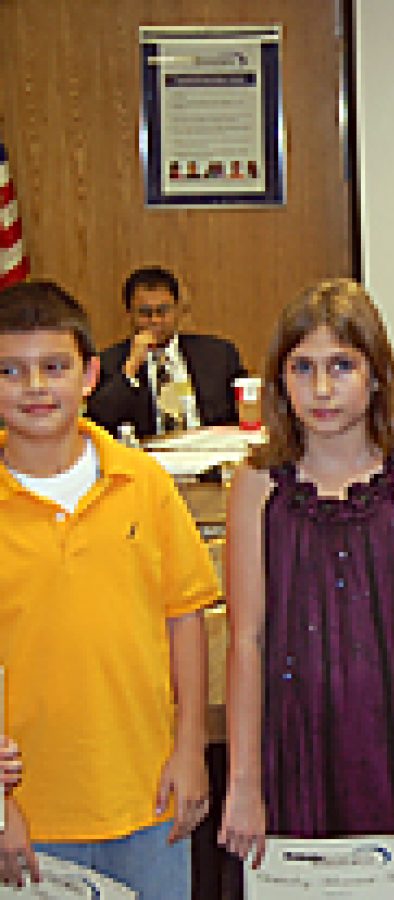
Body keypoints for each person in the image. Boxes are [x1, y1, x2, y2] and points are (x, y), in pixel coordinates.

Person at [217, 278, 394, 897]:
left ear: (377, 375)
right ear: (279, 381)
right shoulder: (256, 486)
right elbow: (244, 640)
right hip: (286, 743)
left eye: (342, 367)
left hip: (390, 746)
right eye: (303, 368)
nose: (322, 389)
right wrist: (244, 784)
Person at [0, 280, 219, 895]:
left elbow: (185, 620)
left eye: (54, 367)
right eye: (11, 371)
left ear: (91, 373)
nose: (36, 387)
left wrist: (192, 752)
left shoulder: (144, 484)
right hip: (28, 815)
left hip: (147, 798)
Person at [87, 266, 247, 438]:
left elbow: (247, 406)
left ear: (178, 310)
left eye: (163, 311)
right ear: (129, 314)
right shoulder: (109, 362)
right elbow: (97, 421)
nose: (155, 320)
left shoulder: (218, 354)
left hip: (211, 452)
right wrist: (130, 369)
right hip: (146, 458)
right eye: (145, 313)